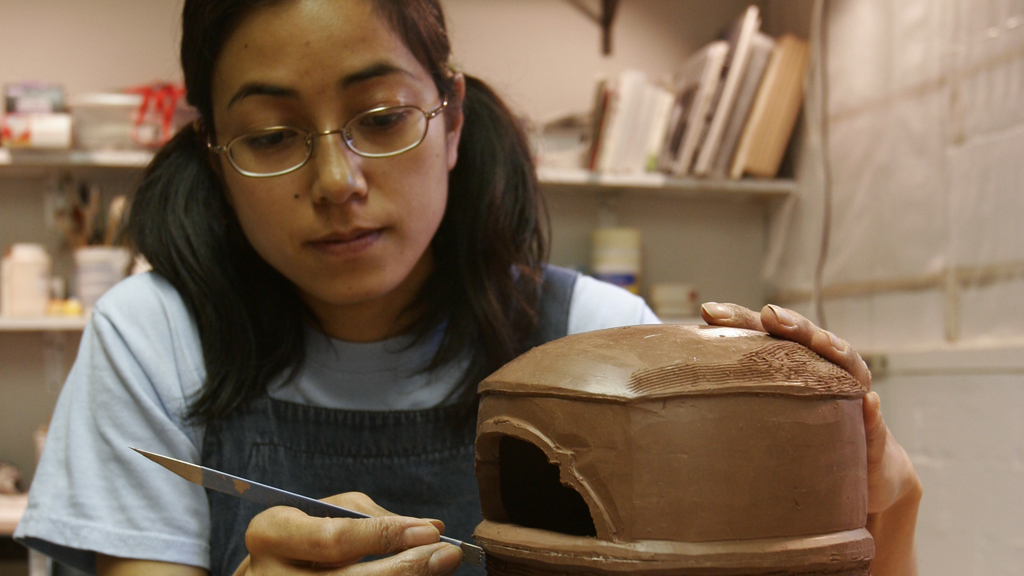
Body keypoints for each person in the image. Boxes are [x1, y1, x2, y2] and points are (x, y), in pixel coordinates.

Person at [14, 1, 922, 575]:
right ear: (215, 158)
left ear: (450, 121)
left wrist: (885, 514)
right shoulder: (153, 338)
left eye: (381, 118)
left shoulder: (604, 341)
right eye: (270, 136)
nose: (336, 181)